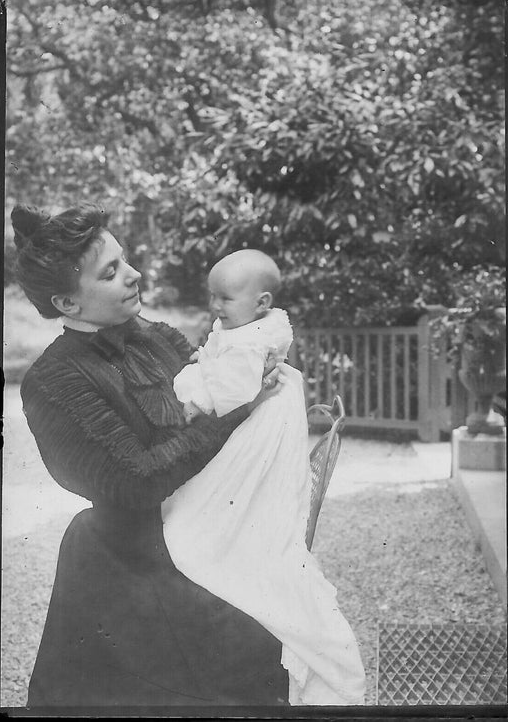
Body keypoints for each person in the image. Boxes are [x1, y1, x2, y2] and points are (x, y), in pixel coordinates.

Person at [11, 203, 289, 708]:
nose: (134, 274)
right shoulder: (54, 382)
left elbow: (225, 401)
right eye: (111, 272)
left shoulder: (159, 339)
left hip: (212, 529)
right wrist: (236, 411)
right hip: (129, 561)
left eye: (125, 260)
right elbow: (135, 480)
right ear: (66, 304)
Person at [162, 250, 366, 706]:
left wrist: (192, 387)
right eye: (212, 296)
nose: (216, 306)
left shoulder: (253, 340)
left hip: (265, 417)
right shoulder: (249, 324)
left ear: (262, 302)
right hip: (266, 404)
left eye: (226, 298)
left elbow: (233, 391)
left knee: (239, 483)